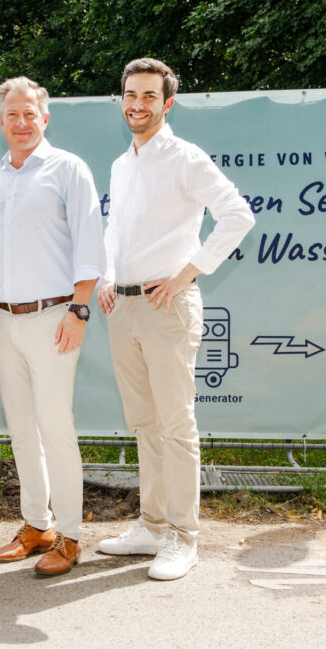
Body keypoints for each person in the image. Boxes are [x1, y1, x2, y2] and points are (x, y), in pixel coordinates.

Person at [97, 58, 255, 580]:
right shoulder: (122, 164)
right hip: (122, 306)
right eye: (130, 95)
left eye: (148, 96)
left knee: (176, 425)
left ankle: (184, 537)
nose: (137, 104)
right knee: (144, 424)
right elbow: (117, 230)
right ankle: (152, 524)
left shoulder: (185, 157)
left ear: (167, 103)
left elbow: (238, 214)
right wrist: (106, 274)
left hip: (167, 307)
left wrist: (189, 274)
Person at [0, 77, 105, 576]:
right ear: (1, 121)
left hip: (56, 317)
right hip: (5, 320)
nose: (22, 122)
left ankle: (70, 537)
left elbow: (91, 243)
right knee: (22, 431)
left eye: (30, 113)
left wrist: (80, 309)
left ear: (44, 118)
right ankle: (37, 525)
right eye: (12, 114)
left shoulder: (68, 168)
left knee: (56, 429)